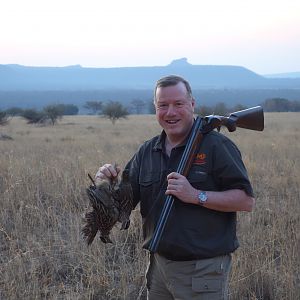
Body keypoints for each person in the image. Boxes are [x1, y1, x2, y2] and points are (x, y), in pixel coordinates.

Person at [96, 75, 255, 300]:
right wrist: (105, 184)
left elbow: (246, 201)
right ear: (155, 108)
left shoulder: (217, 146)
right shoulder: (148, 151)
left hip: (203, 271)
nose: (170, 112)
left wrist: (196, 195)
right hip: (158, 267)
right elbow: (121, 205)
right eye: (163, 105)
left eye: (178, 104)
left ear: (192, 104)